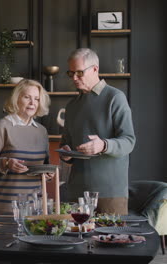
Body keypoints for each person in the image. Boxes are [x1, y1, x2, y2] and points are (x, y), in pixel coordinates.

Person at [60, 48, 135, 215]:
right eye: (70, 73)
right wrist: (65, 153)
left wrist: (103, 145)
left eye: (79, 72)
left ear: (95, 69)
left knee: (111, 240)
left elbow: (129, 141)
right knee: (76, 240)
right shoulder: (72, 106)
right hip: (76, 192)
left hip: (110, 194)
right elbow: (66, 143)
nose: (74, 78)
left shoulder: (115, 98)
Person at [0, 79, 53, 217]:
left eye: (36, 99)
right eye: (27, 97)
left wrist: (48, 174)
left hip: (35, 208)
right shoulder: (1, 127)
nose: (32, 103)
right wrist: (6, 163)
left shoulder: (42, 131)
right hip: (6, 207)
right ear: (16, 99)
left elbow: (44, 166)